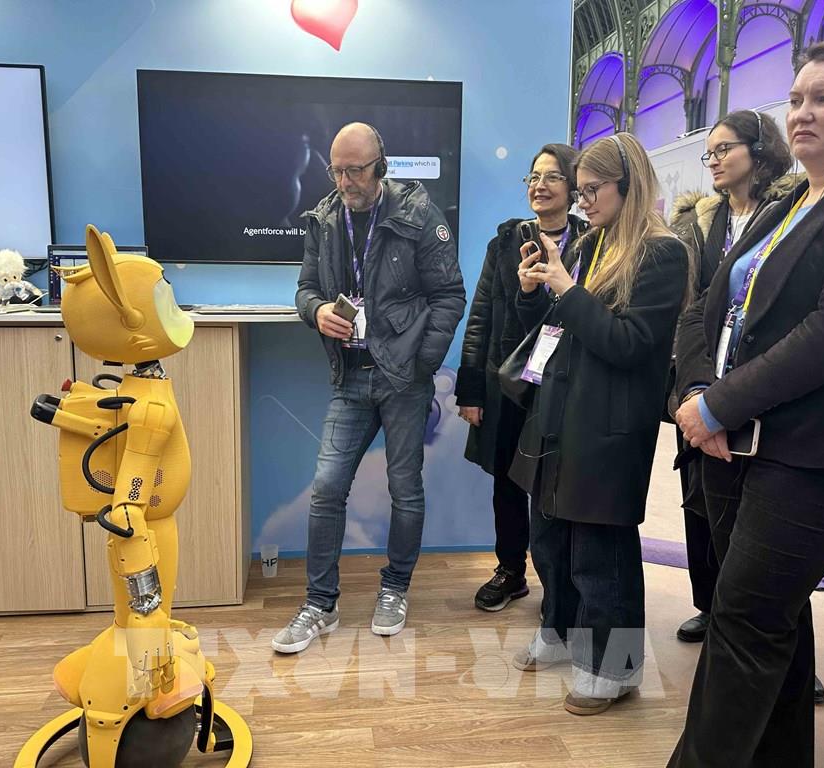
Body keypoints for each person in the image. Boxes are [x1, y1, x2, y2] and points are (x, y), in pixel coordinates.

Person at [669, 40, 824, 767]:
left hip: (822, 451)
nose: (801, 112)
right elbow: (705, 310)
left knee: (742, 620)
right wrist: (697, 392)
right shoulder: (787, 203)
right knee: (773, 623)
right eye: (796, 98)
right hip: (739, 443)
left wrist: (719, 404)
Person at [508, 132, 689, 715]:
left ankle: (614, 669)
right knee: (549, 537)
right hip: (559, 412)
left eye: (591, 191)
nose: (581, 201)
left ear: (628, 185)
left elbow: (629, 343)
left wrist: (566, 289)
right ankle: (560, 629)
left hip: (610, 423)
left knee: (599, 549)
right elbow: (559, 328)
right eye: (579, 190)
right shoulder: (592, 242)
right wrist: (533, 292)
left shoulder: (662, 253)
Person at [275, 122, 465, 654]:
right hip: (350, 376)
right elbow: (305, 288)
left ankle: (395, 589)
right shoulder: (324, 218)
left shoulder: (418, 214)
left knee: (404, 489)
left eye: (355, 170)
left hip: (404, 380)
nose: (344, 182)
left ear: (380, 166)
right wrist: (316, 312)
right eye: (336, 170)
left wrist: (422, 364)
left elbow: (450, 294)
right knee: (327, 488)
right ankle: (320, 603)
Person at [668, 109, 793, 645]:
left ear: (759, 150)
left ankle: (781, 645)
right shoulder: (699, 222)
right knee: (700, 501)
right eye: (710, 152)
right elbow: (691, 309)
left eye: (725, 149)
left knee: (768, 526)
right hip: (700, 376)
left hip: (762, 385)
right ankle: (711, 607)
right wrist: (696, 387)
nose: (714, 160)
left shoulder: (791, 210)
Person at [455, 143, 588, 612]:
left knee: (558, 483)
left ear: (573, 187)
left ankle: (561, 583)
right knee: (508, 482)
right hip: (509, 381)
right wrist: (472, 390)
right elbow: (479, 318)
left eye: (552, 177)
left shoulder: (593, 241)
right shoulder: (506, 241)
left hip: (568, 384)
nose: (539, 185)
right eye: (533, 177)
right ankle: (510, 571)